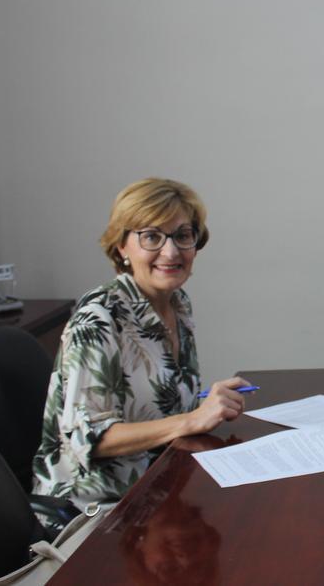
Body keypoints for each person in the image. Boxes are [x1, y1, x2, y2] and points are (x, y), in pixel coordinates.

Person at [32, 178, 251, 517]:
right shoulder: (98, 319)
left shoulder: (177, 303)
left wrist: (205, 402)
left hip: (159, 488)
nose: (171, 251)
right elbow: (90, 439)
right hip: (94, 510)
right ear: (121, 246)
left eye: (182, 235)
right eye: (151, 236)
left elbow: (162, 406)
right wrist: (191, 420)